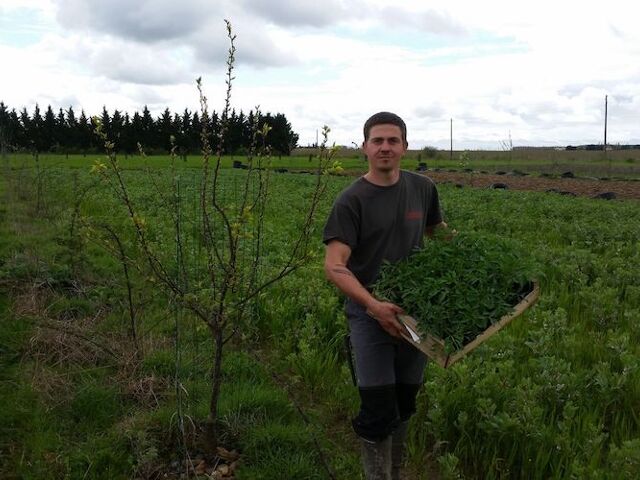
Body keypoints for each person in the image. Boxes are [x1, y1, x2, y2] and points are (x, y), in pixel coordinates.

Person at [323, 112, 447, 479]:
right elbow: (335, 265)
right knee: (378, 410)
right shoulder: (351, 201)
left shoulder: (423, 188)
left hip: (414, 315)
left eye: (393, 141)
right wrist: (374, 306)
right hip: (369, 313)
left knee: (405, 402)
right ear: (364, 148)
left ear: (405, 147)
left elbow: (439, 232)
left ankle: (395, 472)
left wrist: (481, 265)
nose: (385, 147)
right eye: (377, 141)